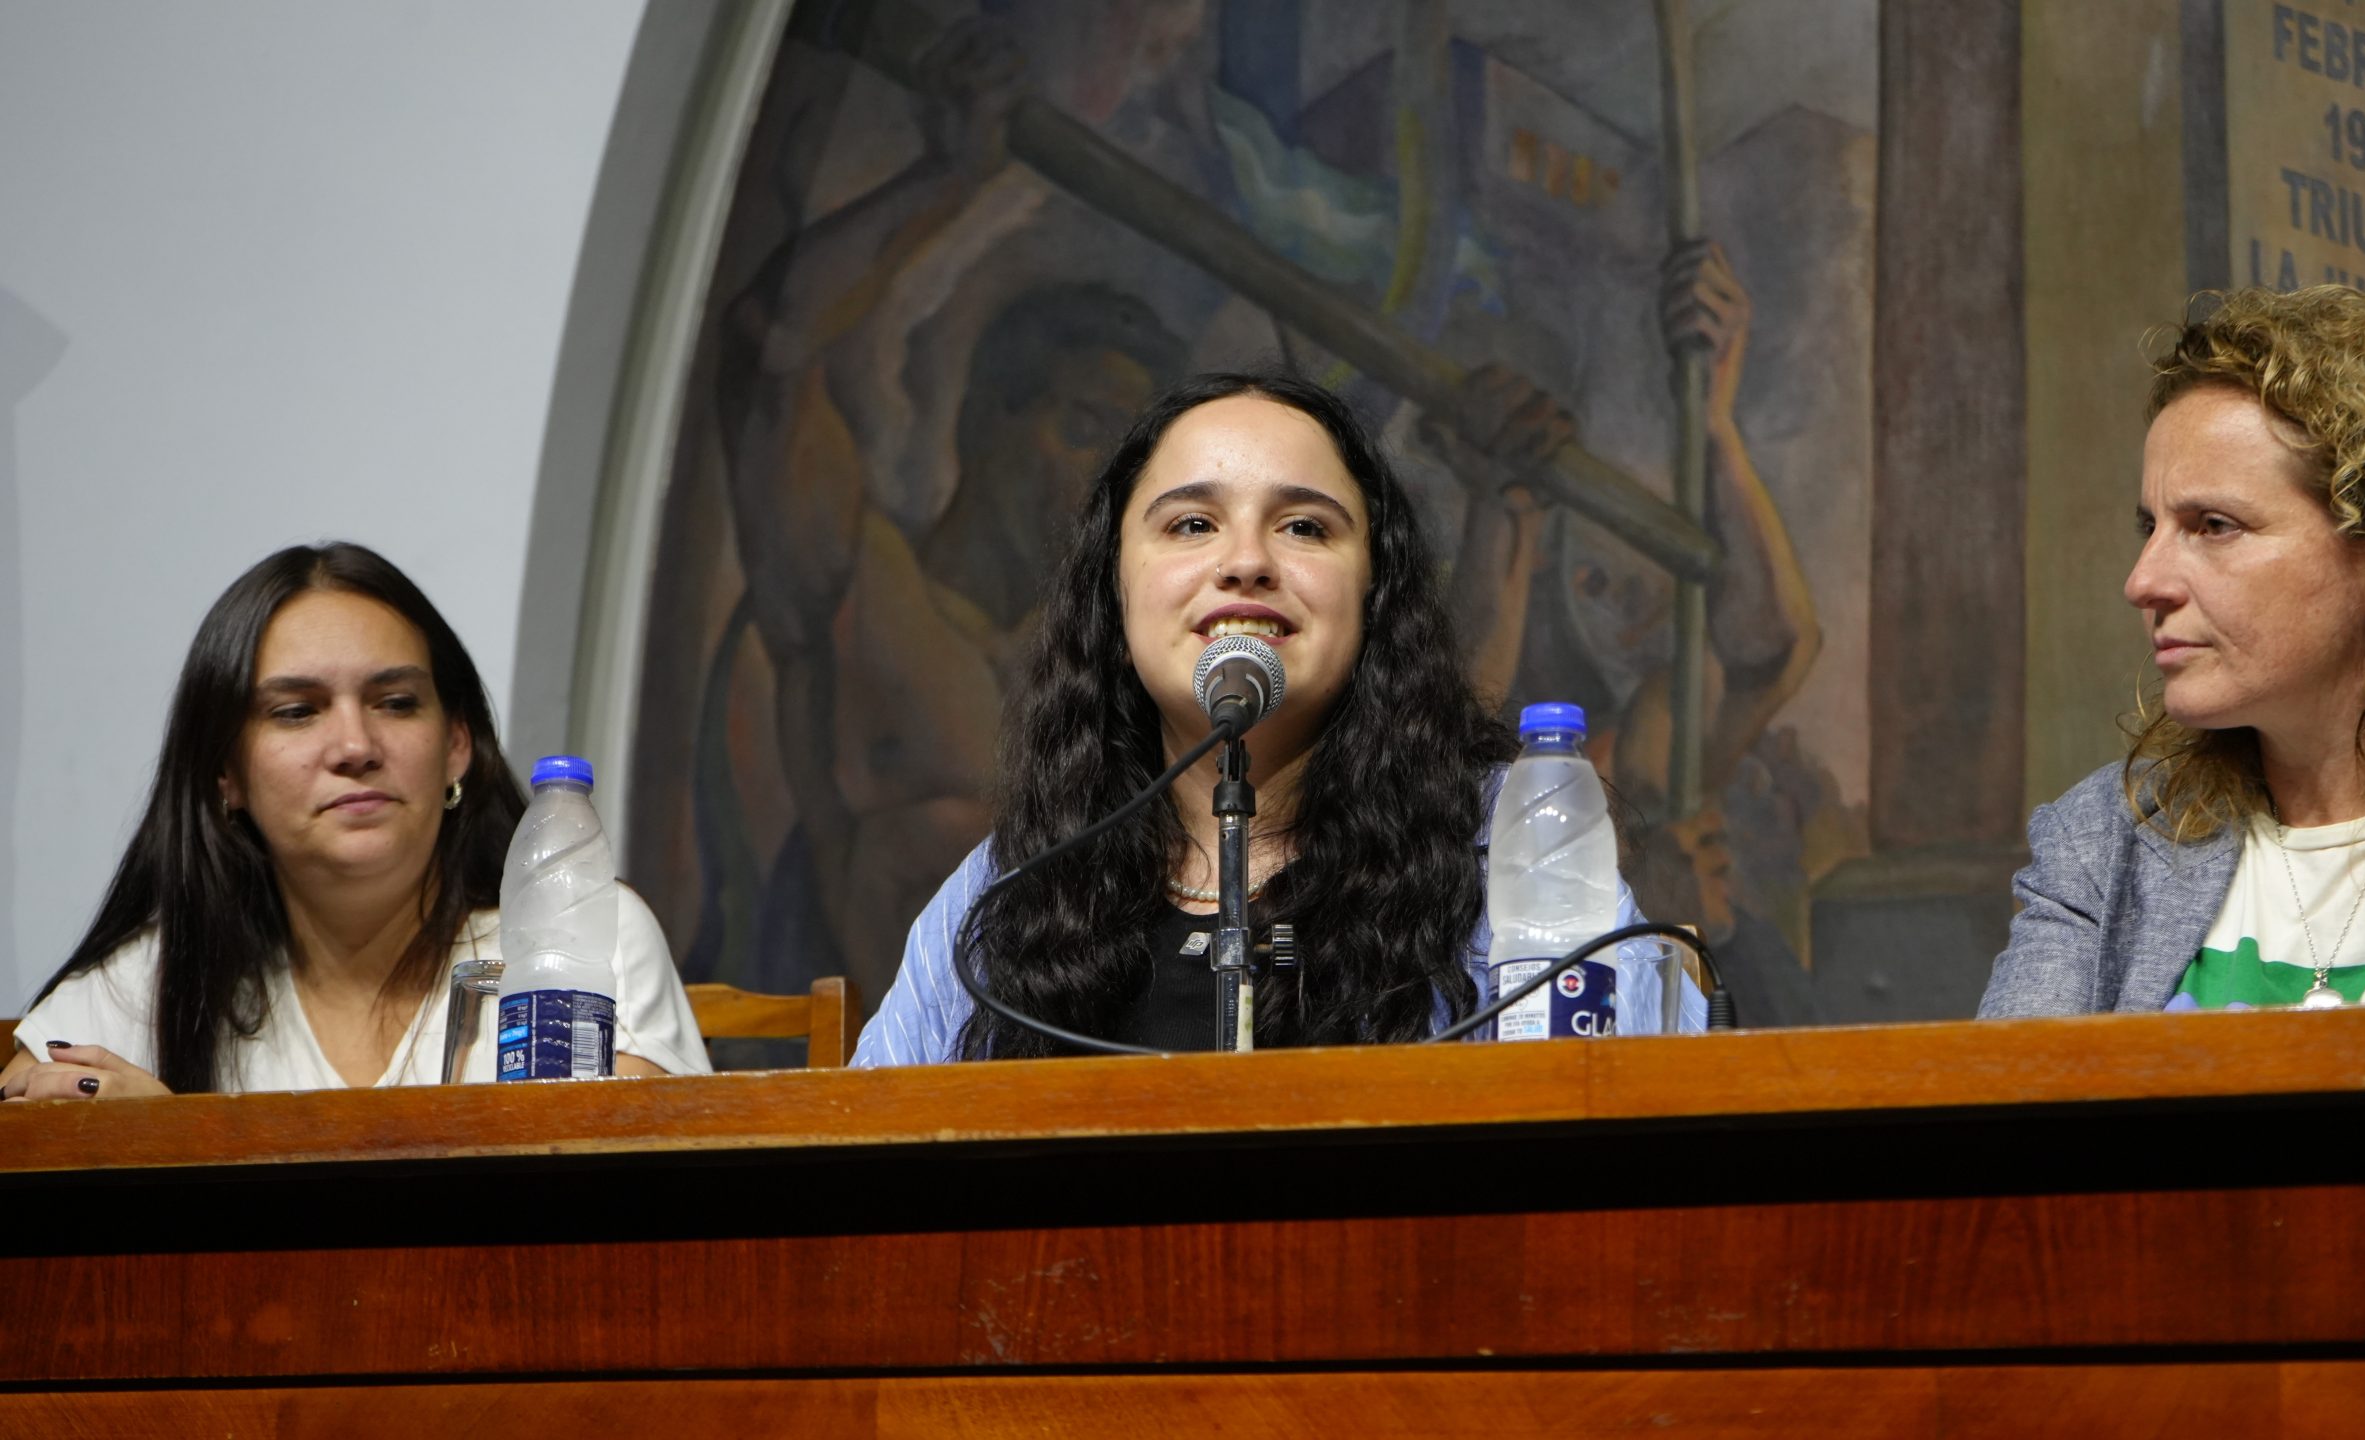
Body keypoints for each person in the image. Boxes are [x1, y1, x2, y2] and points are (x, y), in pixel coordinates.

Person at [854, 373, 1708, 1064]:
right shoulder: (1015, 884)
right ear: (1115, 598)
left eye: (1303, 526)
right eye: (1192, 523)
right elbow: (865, 1154)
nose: (1246, 562)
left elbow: (1654, 1111)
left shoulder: (1498, 839)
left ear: (1373, 598)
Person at [1981, 286, 2365, 1017]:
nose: (2143, 582)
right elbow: (2012, 1088)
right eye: (2150, 527)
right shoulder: (2104, 843)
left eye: (2213, 525)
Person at [2, 543, 709, 1098]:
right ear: (226, 773)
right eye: (297, 711)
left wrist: (181, 1152)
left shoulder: (582, 932)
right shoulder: (158, 977)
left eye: (396, 703)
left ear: (457, 745)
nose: (355, 747)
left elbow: (643, 1201)